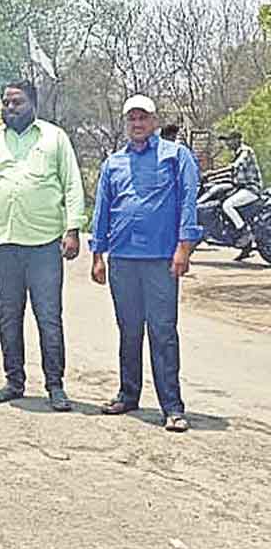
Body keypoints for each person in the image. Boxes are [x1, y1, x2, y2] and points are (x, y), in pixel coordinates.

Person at [0, 80, 84, 411]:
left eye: (17, 103)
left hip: (44, 246)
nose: (10, 108)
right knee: (8, 316)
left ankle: (55, 386)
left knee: (48, 317)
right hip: (4, 244)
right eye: (6, 103)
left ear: (33, 104)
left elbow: (72, 185)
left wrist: (73, 229)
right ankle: (14, 381)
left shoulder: (54, 138)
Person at [90, 95, 201, 433]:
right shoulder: (114, 163)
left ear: (154, 121)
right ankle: (128, 394)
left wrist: (184, 247)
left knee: (163, 332)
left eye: (143, 118)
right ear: (126, 124)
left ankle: (172, 406)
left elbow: (187, 202)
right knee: (129, 329)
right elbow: (102, 209)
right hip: (122, 259)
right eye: (132, 119)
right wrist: (98, 254)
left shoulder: (175, 156)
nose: (137, 124)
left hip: (160, 261)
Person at [210, 132, 262, 261]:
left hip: (251, 189)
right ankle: (245, 248)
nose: (227, 143)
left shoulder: (246, 151)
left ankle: (244, 232)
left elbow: (234, 167)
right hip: (241, 188)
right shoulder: (237, 153)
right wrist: (214, 179)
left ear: (238, 140)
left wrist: (213, 172)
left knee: (227, 205)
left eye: (230, 140)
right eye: (226, 140)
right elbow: (231, 175)